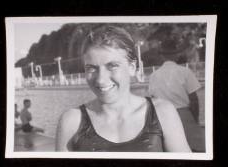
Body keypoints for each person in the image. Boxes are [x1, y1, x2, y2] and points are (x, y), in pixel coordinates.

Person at [55, 25, 191, 152]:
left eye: (112, 66)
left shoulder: (162, 112)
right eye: (91, 68)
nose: (101, 79)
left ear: (132, 68)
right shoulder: (71, 121)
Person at [148, 58, 205, 152]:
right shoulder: (185, 71)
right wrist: (195, 119)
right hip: (184, 115)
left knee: (169, 149)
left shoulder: (154, 75)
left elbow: (153, 99)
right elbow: (194, 100)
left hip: (164, 116)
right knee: (195, 148)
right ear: (177, 56)